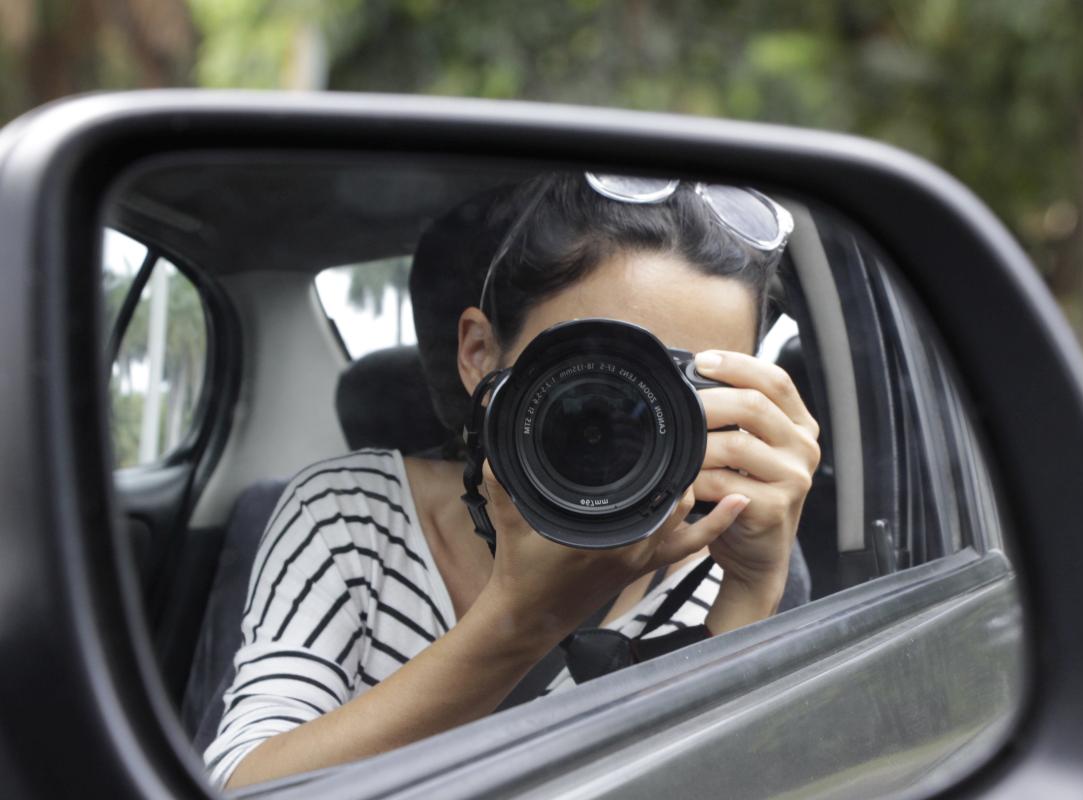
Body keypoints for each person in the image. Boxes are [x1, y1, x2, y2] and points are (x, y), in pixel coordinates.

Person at [204, 172, 821, 789]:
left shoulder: (724, 555)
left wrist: (749, 600)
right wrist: (522, 620)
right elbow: (243, 785)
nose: (626, 417)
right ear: (478, 352)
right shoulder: (348, 517)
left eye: (687, 388)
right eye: (590, 373)